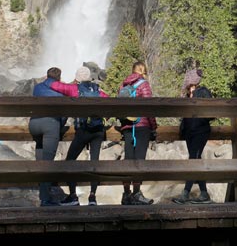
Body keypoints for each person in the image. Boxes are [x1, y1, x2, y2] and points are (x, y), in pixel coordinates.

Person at [50, 66, 110, 206]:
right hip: (98, 131)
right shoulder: (98, 91)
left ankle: (73, 196)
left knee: (70, 161)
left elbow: (55, 86)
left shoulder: (74, 89)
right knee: (94, 163)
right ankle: (92, 197)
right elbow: (110, 104)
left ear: (77, 78)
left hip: (83, 131)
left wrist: (53, 80)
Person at [172, 69, 214, 204]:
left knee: (193, 160)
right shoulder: (186, 96)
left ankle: (185, 193)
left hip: (200, 131)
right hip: (189, 132)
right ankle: (204, 194)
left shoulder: (203, 92)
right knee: (196, 160)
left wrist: (199, 120)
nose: (187, 81)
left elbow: (212, 112)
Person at [118, 61, 157, 205]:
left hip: (127, 127)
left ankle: (126, 194)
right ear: (143, 71)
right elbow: (149, 108)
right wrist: (153, 126)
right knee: (139, 161)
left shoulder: (123, 85)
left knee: (128, 161)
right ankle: (136, 194)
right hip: (141, 127)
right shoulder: (143, 84)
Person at [29, 67, 67, 207]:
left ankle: (41, 190)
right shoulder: (61, 91)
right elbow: (64, 114)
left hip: (34, 124)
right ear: (59, 78)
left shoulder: (37, 87)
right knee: (48, 163)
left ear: (47, 76)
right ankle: (45, 199)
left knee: (40, 158)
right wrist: (59, 125)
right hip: (50, 125)